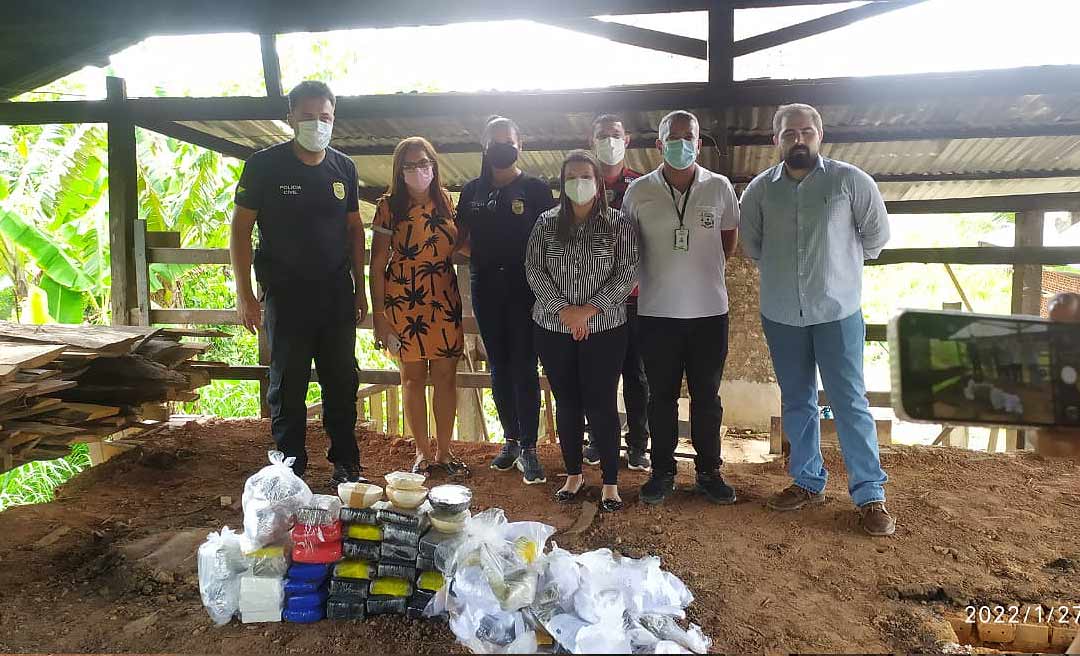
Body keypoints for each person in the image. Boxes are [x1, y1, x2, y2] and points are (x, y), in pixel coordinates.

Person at [739, 103, 894, 536]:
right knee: (797, 400)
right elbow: (753, 246)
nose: (799, 139)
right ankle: (807, 481)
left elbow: (876, 238)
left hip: (837, 312)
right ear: (777, 140)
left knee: (849, 402)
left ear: (820, 135)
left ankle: (869, 495)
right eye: (789, 133)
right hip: (783, 313)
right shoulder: (759, 191)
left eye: (806, 131)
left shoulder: (849, 181)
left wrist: (836, 268)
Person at [230, 80, 367, 486]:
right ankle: (290, 468)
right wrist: (244, 294)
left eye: (324, 117)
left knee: (342, 380)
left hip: (336, 294)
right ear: (290, 118)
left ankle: (346, 461)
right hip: (286, 294)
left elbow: (355, 230)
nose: (316, 124)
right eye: (307, 117)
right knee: (287, 384)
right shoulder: (264, 165)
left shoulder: (344, 167)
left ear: (333, 119)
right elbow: (239, 230)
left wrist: (361, 289)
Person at [621, 110, 741, 506]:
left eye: (688, 136)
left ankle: (709, 472)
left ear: (699, 142)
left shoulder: (719, 187)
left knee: (707, 397)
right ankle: (662, 472)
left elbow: (728, 242)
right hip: (656, 314)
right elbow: (630, 246)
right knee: (661, 398)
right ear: (658, 145)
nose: (680, 143)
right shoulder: (638, 192)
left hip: (709, 313)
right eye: (672, 137)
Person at [526, 150, 639, 512]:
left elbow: (627, 274)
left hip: (605, 328)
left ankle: (609, 481)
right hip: (553, 327)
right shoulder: (545, 223)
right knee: (568, 401)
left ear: (598, 181)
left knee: (602, 402)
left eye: (585, 176)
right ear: (562, 183)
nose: (579, 183)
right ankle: (573, 474)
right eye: (571, 177)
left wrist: (587, 311)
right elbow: (534, 270)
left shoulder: (619, 224)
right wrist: (564, 311)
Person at [457, 116, 557, 485]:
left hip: (526, 287)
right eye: (495, 142)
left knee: (524, 366)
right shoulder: (471, 191)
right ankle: (510, 441)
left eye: (509, 141)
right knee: (498, 365)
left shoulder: (535, 189)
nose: (503, 147)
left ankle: (530, 447)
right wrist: (483, 258)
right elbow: (460, 237)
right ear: (485, 147)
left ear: (520, 145)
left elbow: (551, 239)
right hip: (485, 286)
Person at [369, 137, 467, 477]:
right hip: (402, 301)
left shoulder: (447, 202)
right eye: (409, 165)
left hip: (443, 296)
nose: (418, 170)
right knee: (411, 378)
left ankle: (444, 452)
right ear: (399, 171)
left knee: (446, 377)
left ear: (434, 165)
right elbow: (377, 263)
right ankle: (422, 453)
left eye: (423, 163)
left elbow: (459, 249)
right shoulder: (388, 206)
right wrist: (379, 316)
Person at [580, 113, 651, 472]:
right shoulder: (580, 185)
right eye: (602, 135)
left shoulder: (642, 186)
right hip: (593, 301)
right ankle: (597, 438)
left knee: (636, 375)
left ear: (628, 140)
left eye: (615, 135)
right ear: (591, 140)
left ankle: (638, 444)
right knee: (598, 373)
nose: (609, 141)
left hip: (635, 296)